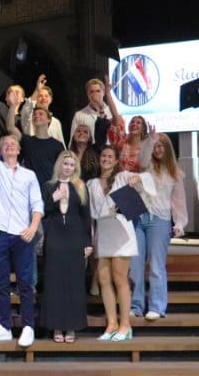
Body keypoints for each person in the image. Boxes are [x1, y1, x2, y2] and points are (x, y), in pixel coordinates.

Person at [0, 94, 43, 348]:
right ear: (0, 150)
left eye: (12, 144)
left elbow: (37, 205)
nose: (8, 146)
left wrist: (33, 228)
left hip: (23, 234)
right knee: (2, 283)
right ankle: (4, 326)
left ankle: (28, 326)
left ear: (18, 150)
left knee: (26, 284)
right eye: (4, 144)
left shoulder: (29, 175)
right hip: (0, 234)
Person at [88, 145, 153, 341]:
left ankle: (125, 325)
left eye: (110, 156)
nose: (106, 159)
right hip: (103, 232)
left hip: (122, 232)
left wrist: (138, 179)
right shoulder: (91, 183)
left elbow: (148, 179)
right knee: (104, 280)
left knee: (120, 278)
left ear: (116, 160)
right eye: (103, 155)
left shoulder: (123, 176)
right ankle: (111, 324)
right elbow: (91, 212)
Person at [133, 129, 188, 320]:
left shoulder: (175, 173)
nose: (157, 150)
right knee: (135, 266)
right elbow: (142, 158)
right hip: (138, 218)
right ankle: (136, 305)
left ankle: (156, 306)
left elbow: (178, 201)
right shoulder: (145, 167)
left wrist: (179, 222)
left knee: (156, 266)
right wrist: (150, 139)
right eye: (155, 146)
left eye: (160, 146)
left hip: (160, 220)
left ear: (168, 149)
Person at [39, 151, 93, 343]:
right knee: (54, 281)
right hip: (54, 237)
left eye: (71, 164)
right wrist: (52, 198)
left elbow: (86, 216)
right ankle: (56, 326)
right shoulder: (48, 186)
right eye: (65, 163)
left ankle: (71, 326)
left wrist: (88, 242)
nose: (68, 167)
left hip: (75, 237)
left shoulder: (80, 186)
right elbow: (41, 212)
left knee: (74, 282)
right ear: (59, 165)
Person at [6, 102, 65, 185]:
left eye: (41, 114)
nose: (37, 116)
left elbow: (63, 170)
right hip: (30, 187)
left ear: (49, 120)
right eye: (34, 114)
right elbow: (10, 127)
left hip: (50, 188)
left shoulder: (57, 145)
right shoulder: (26, 140)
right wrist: (13, 105)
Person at [104, 76, 148, 172]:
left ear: (143, 129)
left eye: (138, 123)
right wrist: (107, 93)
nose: (134, 124)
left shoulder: (145, 148)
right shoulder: (122, 143)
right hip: (119, 180)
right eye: (132, 121)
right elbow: (115, 115)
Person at [20, 74, 65, 145]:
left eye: (46, 96)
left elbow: (61, 143)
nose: (43, 98)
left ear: (51, 100)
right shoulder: (30, 117)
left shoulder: (56, 122)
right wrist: (37, 90)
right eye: (40, 96)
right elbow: (27, 108)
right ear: (36, 99)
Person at [70, 78, 112, 147]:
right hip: (88, 152)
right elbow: (72, 141)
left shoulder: (111, 113)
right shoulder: (79, 115)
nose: (95, 94)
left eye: (98, 91)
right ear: (88, 94)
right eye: (91, 92)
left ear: (103, 93)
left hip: (107, 151)